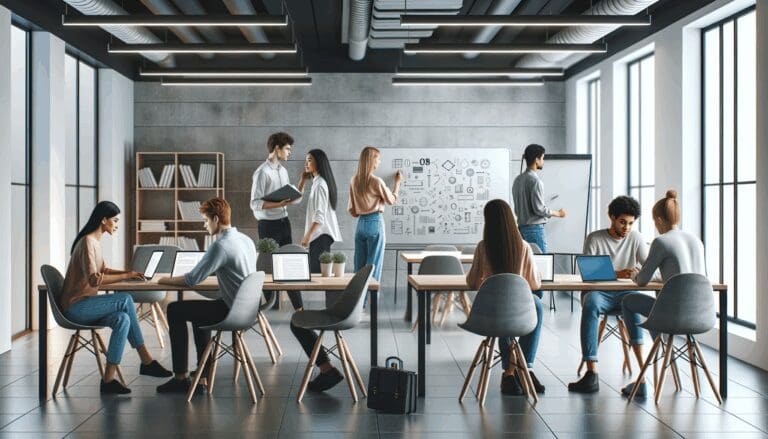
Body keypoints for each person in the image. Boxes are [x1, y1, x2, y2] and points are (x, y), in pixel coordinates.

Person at [60, 201, 171, 395]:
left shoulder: (95, 242)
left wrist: (131, 272)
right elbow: (95, 280)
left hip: (86, 305)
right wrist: (127, 276)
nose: (117, 224)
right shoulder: (87, 242)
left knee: (123, 319)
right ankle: (146, 360)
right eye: (115, 220)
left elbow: (104, 270)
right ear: (104, 220)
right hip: (76, 307)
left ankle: (108, 380)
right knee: (125, 298)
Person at [156, 198, 257, 394]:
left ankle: (180, 377)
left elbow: (191, 280)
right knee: (199, 314)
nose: (204, 225)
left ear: (216, 219)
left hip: (231, 311)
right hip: (248, 309)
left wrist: (162, 280)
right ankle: (203, 376)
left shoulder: (221, 246)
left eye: (205, 220)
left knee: (175, 309)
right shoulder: (246, 240)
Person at [620, 190, 707, 398]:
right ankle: (663, 351)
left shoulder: (661, 241)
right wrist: (661, 277)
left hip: (672, 315)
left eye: (654, 221)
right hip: (700, 317)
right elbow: (690, 277)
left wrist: (634, 274)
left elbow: (641, 280)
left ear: (659, 219)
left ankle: (646, 364)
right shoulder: (696, 241)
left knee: (627, 300)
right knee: (655, 307)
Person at [568, 196, 648, 394]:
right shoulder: (595, 238)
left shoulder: (636, 239)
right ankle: (591, 374)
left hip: (626, 292)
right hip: (599, 292)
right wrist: (618, 274)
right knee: (591, 304)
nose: (626, 228)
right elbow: (588, 274)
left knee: (634, 302)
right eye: (622, 222)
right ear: (611, 217)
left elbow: (649, 268)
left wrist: (638, 273)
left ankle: (643, 379)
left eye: (630, 223)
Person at [466, 199, 546, 395]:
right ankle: (524, 367)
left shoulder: (483, 247)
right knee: (536, 303)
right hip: (517, 314)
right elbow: (535, 284)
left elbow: (472, 283)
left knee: (502, 306)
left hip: (488, 315)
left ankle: (510, 374)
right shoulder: (524, 246)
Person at [289, 148, 347, 392]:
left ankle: (301, 313)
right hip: (321, 239)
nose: (306, 163)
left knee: (296, 279)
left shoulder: (321, 185)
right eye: (305, 160)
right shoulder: (318, 183)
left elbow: (320, 217)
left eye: (310, 160)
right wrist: (302, 180)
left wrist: (306, 237)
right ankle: (303, 313)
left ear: (319, 162)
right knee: (301, 280)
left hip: (319, 239)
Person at [250, 131, 303, 310]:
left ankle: (299, 308)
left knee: (290, 264)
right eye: (287, 149)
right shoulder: (261, 173)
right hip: (268, 226)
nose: (290, 152)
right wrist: (277, 203)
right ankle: (271, 307)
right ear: (276, 148)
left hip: (284, 222)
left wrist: (293, 195)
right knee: (268, 268)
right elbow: (255, 203)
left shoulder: (283, 171)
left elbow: (286, 199)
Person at [348, 146, 401, 283]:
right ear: (372, 161)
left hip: (360, 224)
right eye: (378, 159)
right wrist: (397, 184)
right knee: (373, 267)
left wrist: (363, 206)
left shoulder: (354, 181)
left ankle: (359, 303)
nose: (380, 162)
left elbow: (352, 211)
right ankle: (370, 303)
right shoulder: (376, 181)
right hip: (375, 222)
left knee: (358, 267)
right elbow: (391, 200)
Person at [512, 144, 567, 253]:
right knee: (540, 263)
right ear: (536, 160)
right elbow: (539, 209)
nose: (543, 161)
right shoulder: (535, 181)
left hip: (521, 229)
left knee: (526, 263)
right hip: (534, 230)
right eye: (542, 158)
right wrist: (559, 214)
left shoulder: (517, 180)